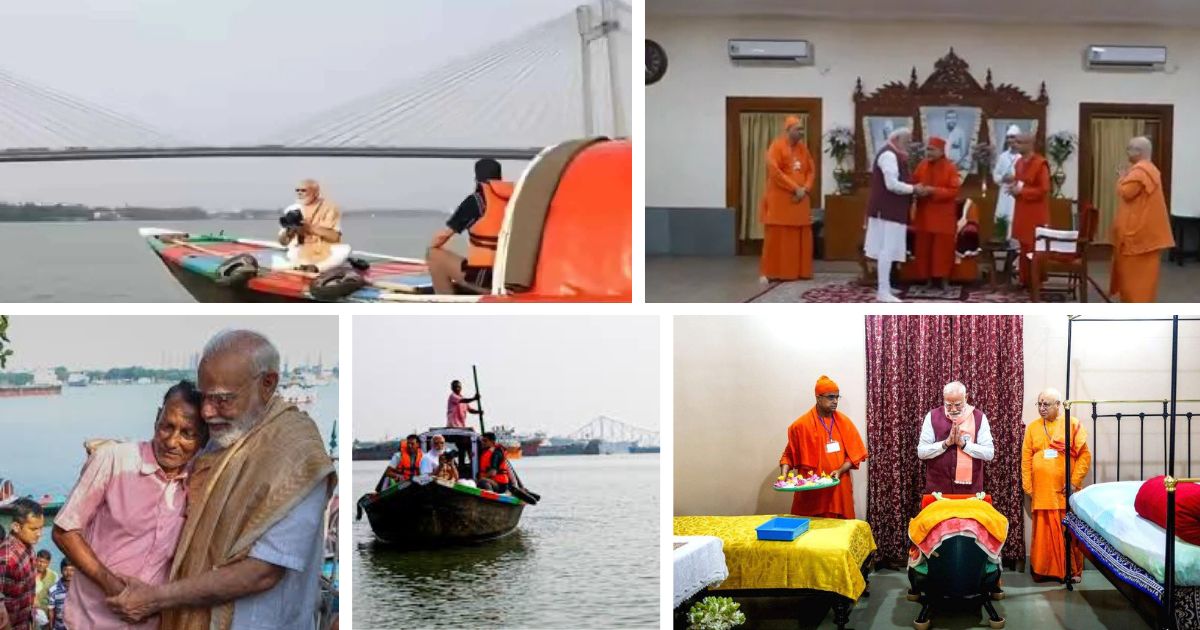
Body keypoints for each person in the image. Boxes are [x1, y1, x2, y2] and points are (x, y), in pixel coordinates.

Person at [105, 330, 336, 630]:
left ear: (268, 384)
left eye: (223, 399)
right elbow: (175, 454)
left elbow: (263, 572)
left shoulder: (297, 455)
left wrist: (155, 598)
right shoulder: (229, 433)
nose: (207, 411)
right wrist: (116, 454)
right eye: (204, 397)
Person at [52, 381, 206, 630]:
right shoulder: (114, 460)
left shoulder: (198, 477)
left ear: (203, 439)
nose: (172, 441)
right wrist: (114, 588)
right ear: (157, 418)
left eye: (188, 433)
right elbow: (64, 531)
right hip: (91, 622)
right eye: (167, 426)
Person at [1022, 387, 1090, 582]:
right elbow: (1026, 458)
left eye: (1046, 404)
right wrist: (1028, 486)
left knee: (1066, 530)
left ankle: (1072, 571)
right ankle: (1043, 570)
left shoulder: (1072, 424)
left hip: (1063, 489)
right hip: (1041, 490)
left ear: (1058, 405)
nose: (1042, 408)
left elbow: (1085, 456)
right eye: (1039, 404)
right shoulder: (1033, 427)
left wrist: (1074, 482)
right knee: (1043, 533)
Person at [778, 376, 869, 519]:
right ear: (818, 398)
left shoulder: (845, 423)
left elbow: (854, 455)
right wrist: (783, 475)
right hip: (812, 493)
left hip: (838, 490)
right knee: (811, 535)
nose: (835, 401)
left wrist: (839, 470)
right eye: (831, 397)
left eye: (837, 397)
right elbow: (788, 455)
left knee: (839, 534)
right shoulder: (801, 425)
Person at [426, 159, 511, 294]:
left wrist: (431, 246)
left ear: (476, 179)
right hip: (510, 279)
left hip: (485, 280)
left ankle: (445, 302)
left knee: (433, 255)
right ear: (500, 178)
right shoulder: (514, 200)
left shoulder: (476, 201)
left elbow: (443, 236)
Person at [1110, 136, 1175, 303]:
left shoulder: (1140, 171)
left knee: (1135, 282)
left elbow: (1126, 192)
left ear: (1139, 152)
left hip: (1138, 238)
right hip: (1145, 236)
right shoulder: (1149, 169)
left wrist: (1121, 177)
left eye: (1129, 148)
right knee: (1142, 280)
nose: (1127, 152)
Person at [865, 127, 922, 303]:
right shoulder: (889, 155)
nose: (909, 145)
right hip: (887, 209)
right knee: (886, 249)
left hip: (893, 209)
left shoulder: (895, 154)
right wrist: (914, 189)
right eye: (907, 141)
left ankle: (886, 286)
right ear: (897, 139)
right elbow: (891, 184)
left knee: (890, 248)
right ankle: (882, 291)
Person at [759, 115, 817, 282]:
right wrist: (795, 188)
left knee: (801, 236)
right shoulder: (776, 147)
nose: (801, 132)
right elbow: (775, 171)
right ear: (788, 130)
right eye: (798, 129)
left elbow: (811, 171)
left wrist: (805, 188)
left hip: (800, 200)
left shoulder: (803, 149)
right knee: (778, 238)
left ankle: (800, 271)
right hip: (781, 200)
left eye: (802, 129)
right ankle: (772, 272)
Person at [918, 381, 995, 493]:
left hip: (970, 491)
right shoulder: (932, 416)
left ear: (966, 397)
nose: (953, 409)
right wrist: (945, 444)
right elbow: (921, 452)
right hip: (938, 490)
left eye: (958, 404)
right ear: (944, 399)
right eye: (948, 405)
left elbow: (989, 453)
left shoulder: (979, 417)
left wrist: (964, 445)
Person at [910, 137, 963, 289]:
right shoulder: (921, 165)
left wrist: (933, 191)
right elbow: (914, 183)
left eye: (932, 149)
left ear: (941, 151)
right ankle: (927, 279)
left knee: (943, 250)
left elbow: (954, 191)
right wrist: (918, 190)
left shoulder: (950, 168)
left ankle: (944, 279)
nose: (929, 152)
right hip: (924, 215)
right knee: (924, 249)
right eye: (928, 149)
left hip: (943, 216)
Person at [1002, 132, 1050, 286]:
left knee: (1034, 248)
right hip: (1022, 210)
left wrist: (1021, 191)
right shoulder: (1018, 163)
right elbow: (1021, 184)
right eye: (1014, 141)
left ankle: (1036, 282)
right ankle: (1024, 281)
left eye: (1019, 142)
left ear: (1030, 144)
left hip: (1035, 213)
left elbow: (1044, 190)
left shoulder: (1040, 163)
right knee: (1023, 247)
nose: (1014, 144)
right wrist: (1013, 188)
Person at [275, 179, 351, 272]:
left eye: (303, 190)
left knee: (345, 249)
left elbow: (335, 237)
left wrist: (310, 228)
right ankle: (303, 266)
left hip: (324, 250)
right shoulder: (292, 209)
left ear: (315, 192)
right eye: (297, 190)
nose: (299, 193)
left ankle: (316, 268)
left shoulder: (329, 208)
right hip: (301, 251)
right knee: (283, 259)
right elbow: (283, 242)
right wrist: (289, 231)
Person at [0, 498, 45, 630]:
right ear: (16, 527)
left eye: (41, 528)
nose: (39, 534)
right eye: (33, 529)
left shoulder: (29, 548)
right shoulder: (6, 557)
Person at [992, 125, 1022, 242]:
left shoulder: (1022, 156)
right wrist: (1003, 178)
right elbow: (996, 175)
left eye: (1013, 137)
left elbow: (1027, 178)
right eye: (1008, 137)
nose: (1010, 140)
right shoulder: (1002, 157)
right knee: (1002, 217)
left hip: (1017, 193)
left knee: (1015, 218)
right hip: (1004, 192)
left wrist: (1016, 179)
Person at [46, 559, 71, 630]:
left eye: (72, 570)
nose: (69, 573)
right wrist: (51, 626)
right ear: (61, 571)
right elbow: (51, 610)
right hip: (59, 627)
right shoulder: (53, 590)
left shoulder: (79, 589)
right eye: (65, 570)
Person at [32, 550, 55, 628]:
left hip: (45, 614)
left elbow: (54, 596)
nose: (41, 564)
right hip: (29, 611)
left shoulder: (53, 576)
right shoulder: (29, 572)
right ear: (35, 560)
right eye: (39, 561)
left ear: (49, 563)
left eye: (45, 562)